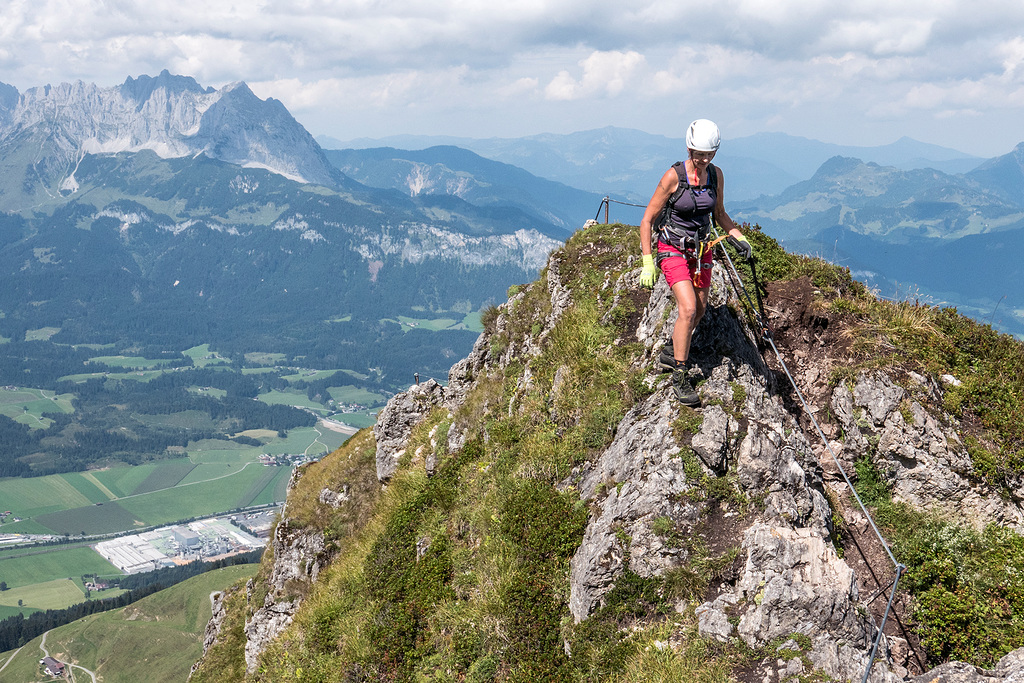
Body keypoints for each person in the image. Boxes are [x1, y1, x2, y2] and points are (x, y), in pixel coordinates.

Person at [638, 119, 752, 406]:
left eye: (709, 154)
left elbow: (720, 214)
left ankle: (671, 349)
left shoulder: (715, 176)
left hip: (701, 251)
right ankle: (679, 374)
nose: (703, 160)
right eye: (698, 154)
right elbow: (647, 219)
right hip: (672, 248)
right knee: (688, 308)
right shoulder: (672, 177)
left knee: (699, 310)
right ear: (689, 148)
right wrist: (647, 261)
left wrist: (739, 237)